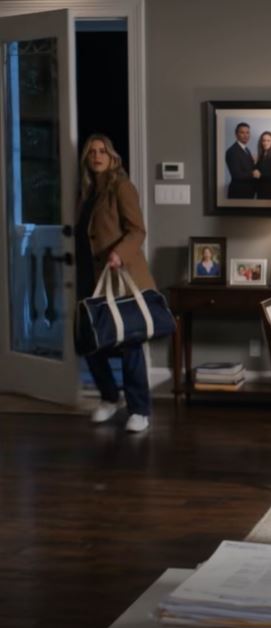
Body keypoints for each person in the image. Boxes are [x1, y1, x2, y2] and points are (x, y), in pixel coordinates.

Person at [75, 134, 156, 433]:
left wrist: (119, 253)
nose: (97, 156)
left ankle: (139, 409)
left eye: (102, 151)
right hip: (89, 276)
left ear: (112, 157)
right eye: (92, 152)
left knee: (129, 341)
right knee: (89, 340)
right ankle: (110, 397)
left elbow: (137, 230)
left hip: (119, 274)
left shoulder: (121, 187)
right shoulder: (86, 192)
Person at [225, 122, 258, 198]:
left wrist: (254, 162)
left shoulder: (246, 149)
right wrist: (253, 174)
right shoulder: (232, 151)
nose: (246, 135)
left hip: (247, 192)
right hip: (238, 193)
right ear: (236, 135)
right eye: (242, 133)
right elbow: (236, 175)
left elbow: (247, 168)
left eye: (247, 132)